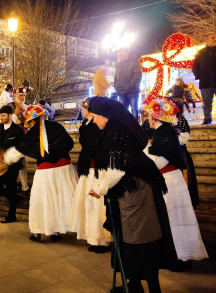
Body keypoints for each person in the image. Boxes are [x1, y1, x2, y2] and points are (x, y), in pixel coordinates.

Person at [87, 96, 176, 293]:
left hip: (136, 193)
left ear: (104, 115)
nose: (93, 121)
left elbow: (116, 170)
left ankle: (153, 288)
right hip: (130, 191)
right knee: (131, 240)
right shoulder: (114, 130)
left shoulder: (115, 134)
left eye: (95, 116)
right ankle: (134, 284)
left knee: (143, 240)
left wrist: (100, 189)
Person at [142, 97, 207, 266]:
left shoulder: (165, 133)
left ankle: (178, 258)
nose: (147, 117)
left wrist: (144, 151)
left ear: (155, 117)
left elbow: (159, 161)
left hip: (170, 182)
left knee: (174, 220)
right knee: (172, 219)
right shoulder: (163, 132)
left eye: (149, 114)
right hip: (169, 181)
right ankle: (174, 256)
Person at [4, 105, 77, 242]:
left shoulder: (33, 133)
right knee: (59, 201)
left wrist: (7, 158)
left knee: (42, 202)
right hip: (65, 170)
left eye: (29, 122)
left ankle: (38, 231)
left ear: (32, 121)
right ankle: (55, 231)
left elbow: (21, 149)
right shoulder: (57, 127)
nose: (30, 125)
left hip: (46, 172)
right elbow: (69, 144)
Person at [68, 99, 111, 253]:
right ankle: (93, 238)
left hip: (98, 167)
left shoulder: (97, 126)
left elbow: (96, 145)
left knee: (97, 203)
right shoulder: (85, 126)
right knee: (88, 204)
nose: (81, 110)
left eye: (83, 108)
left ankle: (102, 238)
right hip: (88, 166)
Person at [0, 106, 25, 223]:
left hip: (12, 165)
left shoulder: (18, 130)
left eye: (3, 115)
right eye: (0, 115)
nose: (1, 117)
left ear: (10, 115)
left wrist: (9, 156)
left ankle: (12, 215)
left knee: (11, 189)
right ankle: (15, 198)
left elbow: (22, 148)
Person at [193, 32, 216, 124]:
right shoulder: (200, 52)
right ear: (206, 40)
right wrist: (199, 75)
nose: (214, 39)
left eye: (215, 37)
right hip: (205, 82)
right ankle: (207, 119)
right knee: (207, 103)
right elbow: (194, 66)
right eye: (212, 37)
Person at [114, 47, 142, 120]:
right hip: (121, 92)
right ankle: (125, 127)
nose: (119, 56)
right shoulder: (119, 64)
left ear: (126, 54)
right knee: (123, 111)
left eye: (120, 54)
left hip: (132, 91)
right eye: (118, 55)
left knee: (134, 109)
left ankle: (134, 128)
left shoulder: (135, 62)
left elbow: (137, 76)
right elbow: (116, 77)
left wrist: (130, 86)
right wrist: (116, 86)